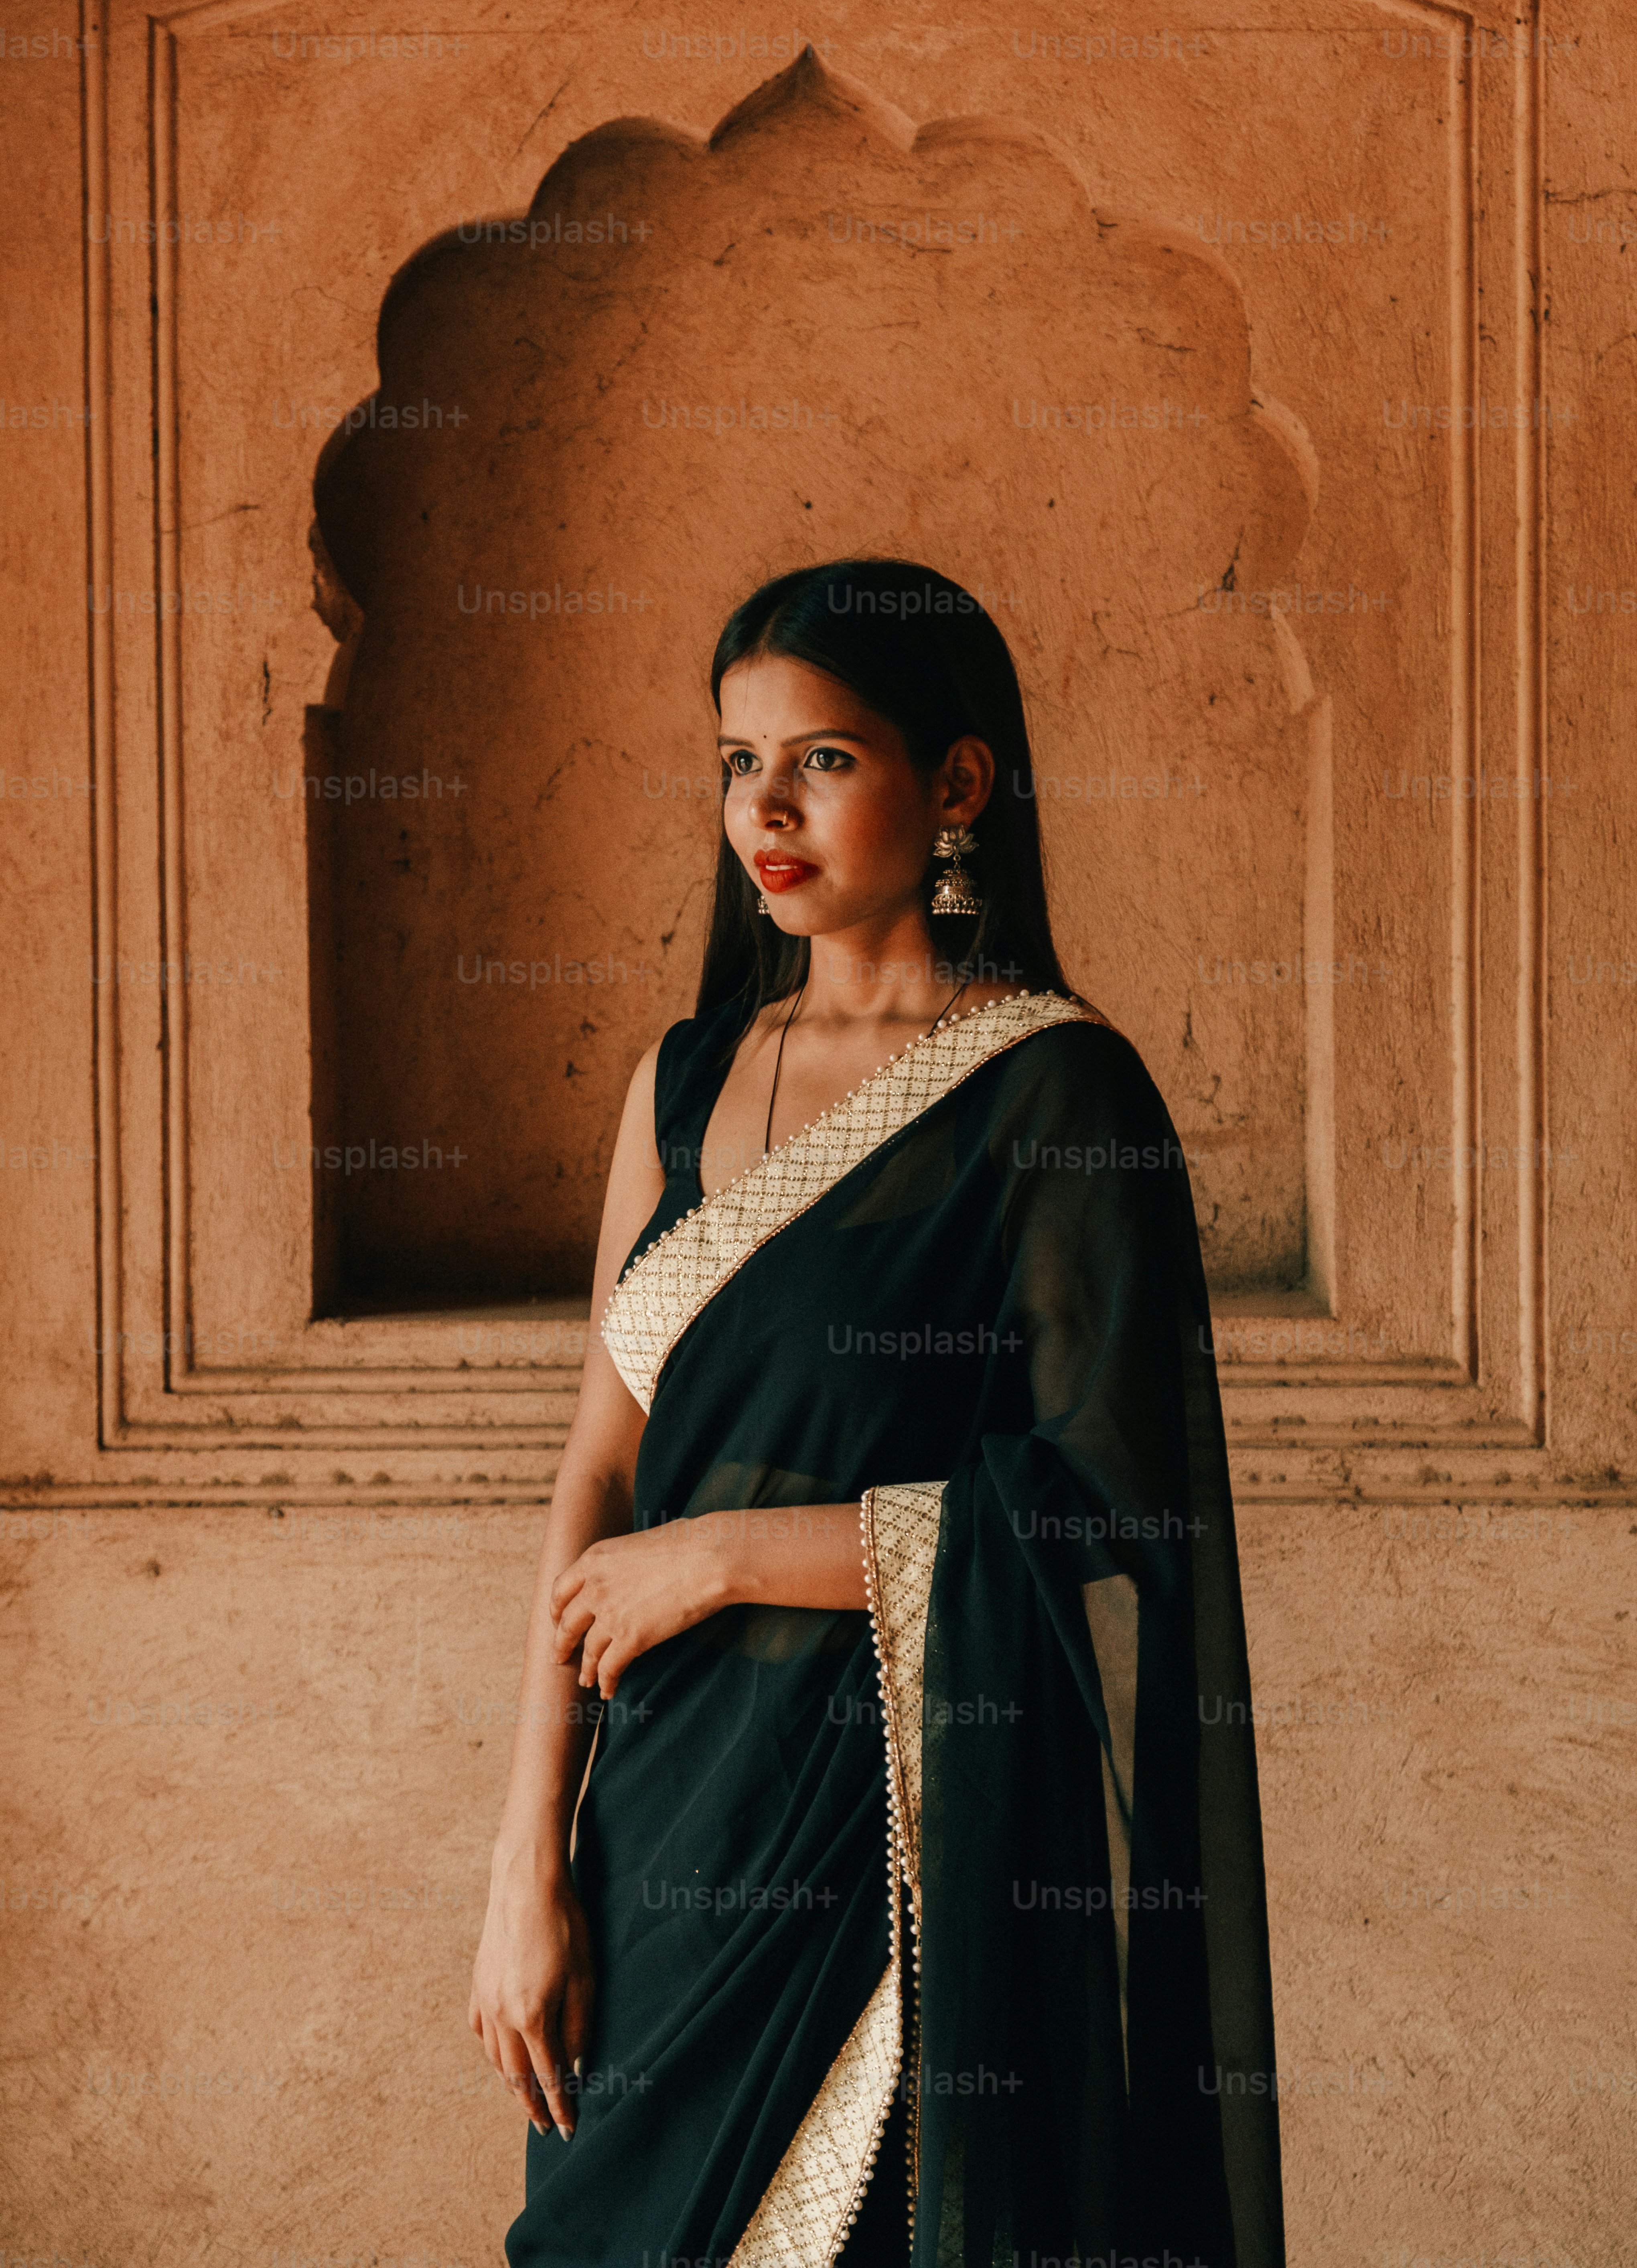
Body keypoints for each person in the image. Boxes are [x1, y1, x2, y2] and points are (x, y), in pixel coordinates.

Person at [469, 558, 1284, 2268]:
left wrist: (721, 1558)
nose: (762, 808)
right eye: (734, 762)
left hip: (898, 1843)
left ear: (961, 783)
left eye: (823, 759)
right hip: (660, 1831)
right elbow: (596, 1467)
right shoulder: (684, 1080)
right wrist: (522, 1858)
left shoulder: (1056, 1091)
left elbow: (1102, 1502)